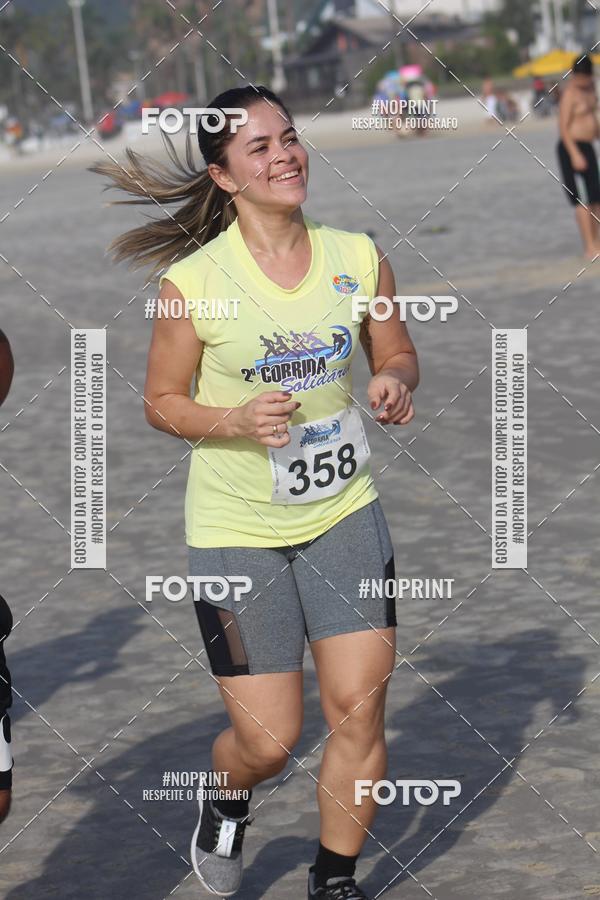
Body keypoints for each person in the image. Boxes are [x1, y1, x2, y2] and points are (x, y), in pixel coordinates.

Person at [91, 85, 418, 899]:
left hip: (344, 513)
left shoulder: (358, 255)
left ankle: (333, 879)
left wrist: (392, 379)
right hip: (236, 530)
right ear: (225, 176)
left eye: (290, 137)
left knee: (359, 707)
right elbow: (161, 402)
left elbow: (396, 349)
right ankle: (227, 794)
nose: (285, 156)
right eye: (260, 148)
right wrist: (233, 420)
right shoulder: (193, 283)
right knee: (269, 740)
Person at [557, 53, 600, 258]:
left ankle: (597, 242)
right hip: (571, 148)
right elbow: (563, 128)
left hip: (589, 146)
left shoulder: (591, 89)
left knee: (596, 198)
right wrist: (575, 154)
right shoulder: (570, 94)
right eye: (580, 78)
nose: (583, 81)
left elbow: (592, 117)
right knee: (582, 200)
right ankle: (589, 247)